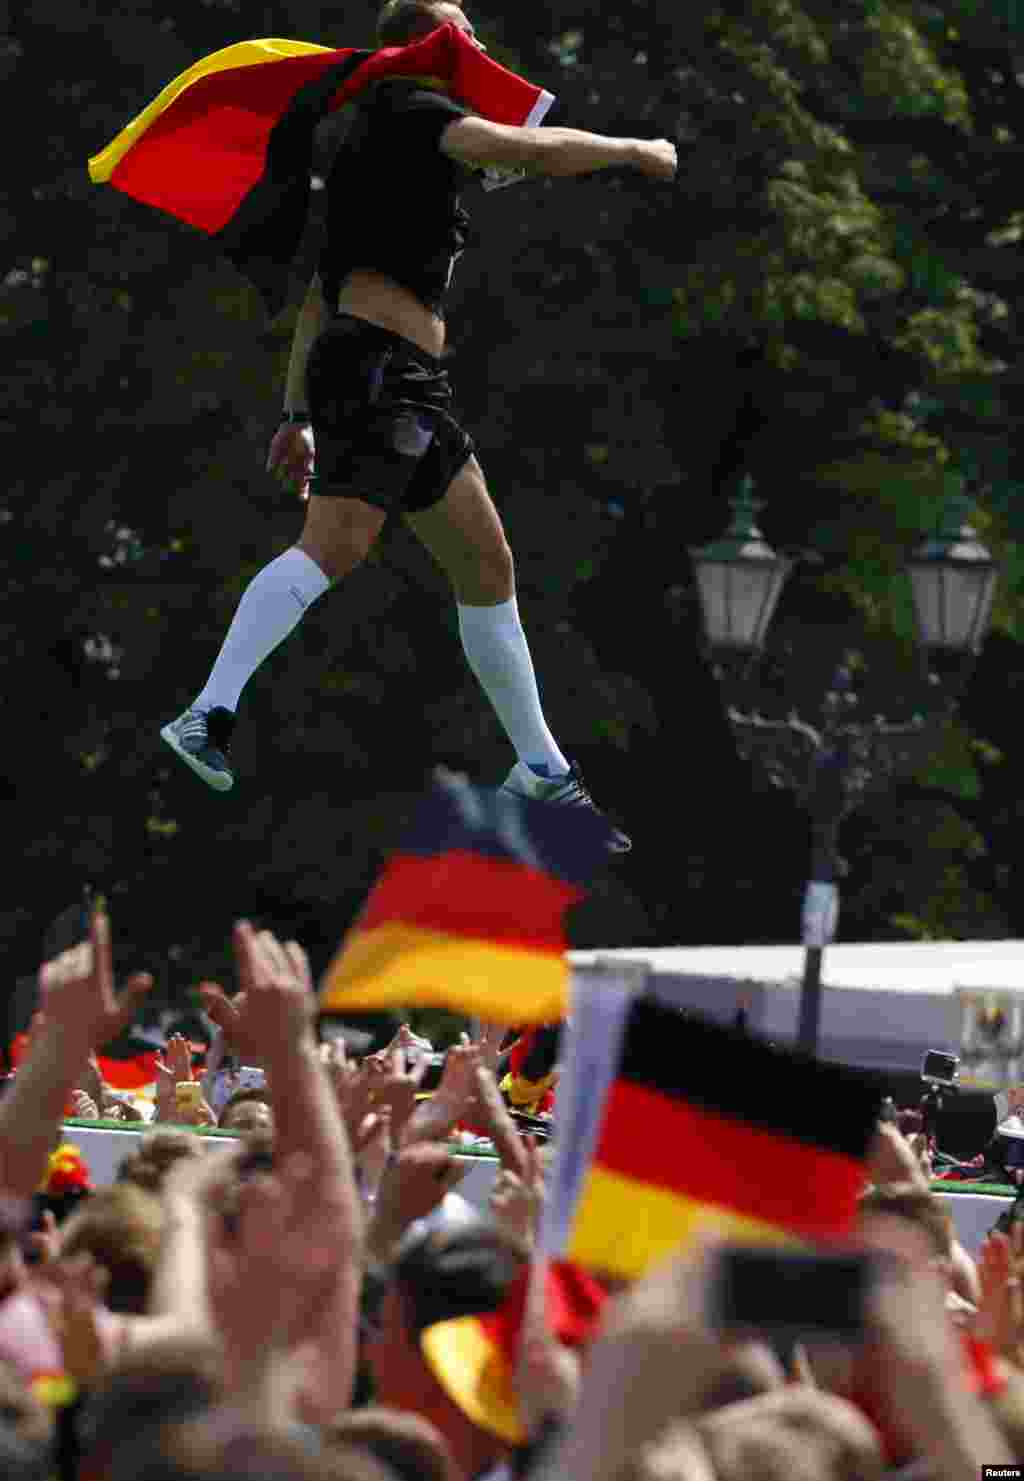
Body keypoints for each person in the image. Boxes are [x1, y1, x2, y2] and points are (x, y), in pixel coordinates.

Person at [161, 0, 678, 851]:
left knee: (487, 563)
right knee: (335, 548)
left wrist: (297, 412)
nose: (475, 42)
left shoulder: (368, 136)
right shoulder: (411, 107)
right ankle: (206, 711)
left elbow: (319, 298)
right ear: (425, 45)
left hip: (391, 376)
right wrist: (632, 150)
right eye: (461, 29)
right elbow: (523, 149)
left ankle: (542, 770)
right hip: (380, 373)